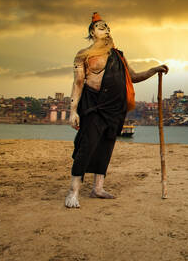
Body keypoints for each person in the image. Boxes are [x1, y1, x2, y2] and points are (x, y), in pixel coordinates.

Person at [65, 12, 168, 208]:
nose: (107, 30)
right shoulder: (83, 55)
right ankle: (73, 192)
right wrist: (73, 111)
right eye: (102, 27)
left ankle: (98, 188)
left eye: (108, 27)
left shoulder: (118, 55)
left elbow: (134, 76)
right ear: (92, 32)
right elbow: (78, 82)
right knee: (86, 147)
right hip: (93, 106)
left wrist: (154, 70)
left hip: (115, 109)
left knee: (106, 147)